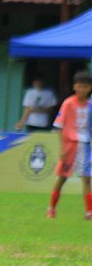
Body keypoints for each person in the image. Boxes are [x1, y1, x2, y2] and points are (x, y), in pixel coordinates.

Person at [46, 70, 92, 220]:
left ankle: (89, 211)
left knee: (86, 178)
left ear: (89, 88)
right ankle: (51, 208)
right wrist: (62, 148)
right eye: (80, 86)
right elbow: (59, 126)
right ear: (75, 87)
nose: (82, 89)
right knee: (62, 177)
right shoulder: (68, 103)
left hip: (84, 145)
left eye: (86, 87)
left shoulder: (90, 105)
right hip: (70, 145)